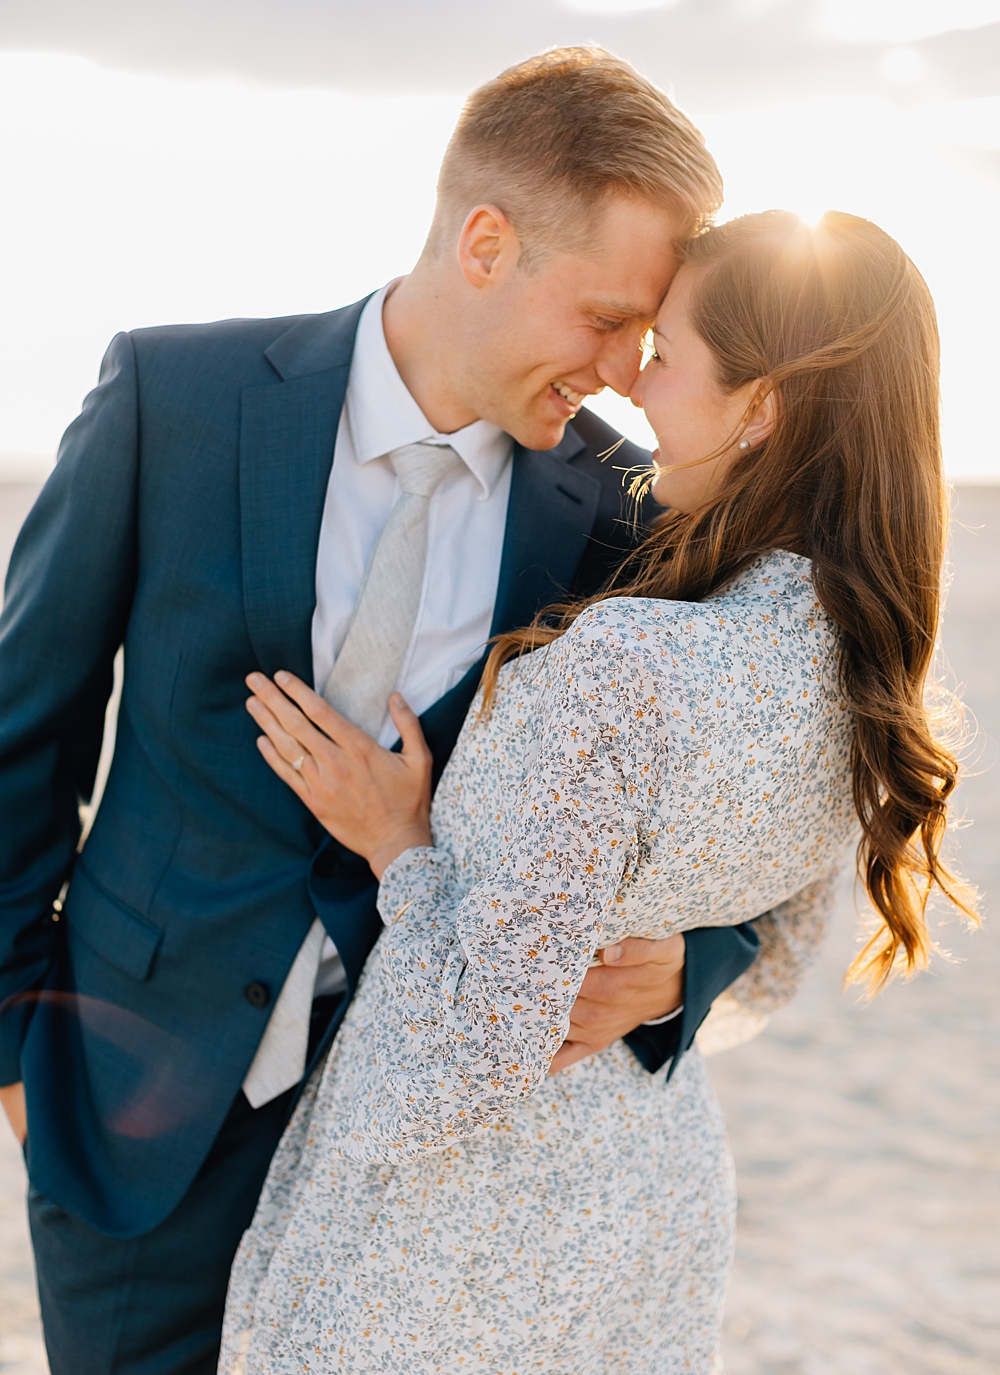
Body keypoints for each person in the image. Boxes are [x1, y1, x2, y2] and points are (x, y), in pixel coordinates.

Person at [0, 48, 765, 1375]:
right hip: (127, 1107)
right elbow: (23, 728)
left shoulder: (622, 511)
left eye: (645, 338)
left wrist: (689, 966)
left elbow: (734, 804)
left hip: (417, 1151)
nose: (622, 371)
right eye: (601, 318)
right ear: (485, 242)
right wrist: (15, 1049)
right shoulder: (171, 400)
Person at [219, 208, 975, 1373]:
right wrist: (671, 970)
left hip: (444, 1256)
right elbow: (771, 968)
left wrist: (399, 844)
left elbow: (463, 1064)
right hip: (646, 1207)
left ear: (763, 408)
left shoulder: (630, 665)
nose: (636, 389)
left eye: (666, 358)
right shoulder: (866, 675)